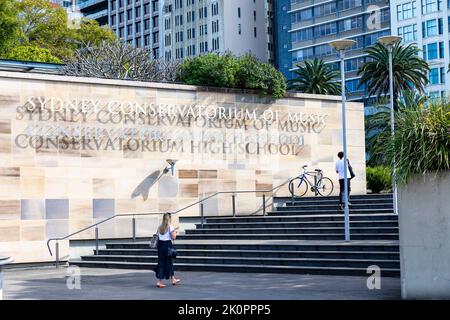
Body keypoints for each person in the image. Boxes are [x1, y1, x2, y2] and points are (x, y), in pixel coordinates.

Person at [154, 213, 180, 288]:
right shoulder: (170, 226)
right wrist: (175, 232)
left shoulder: (160, 227)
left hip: (160, 246)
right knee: (168, 262)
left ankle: (173, 279)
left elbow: (157, 236)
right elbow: (174, 237)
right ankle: (159, 282)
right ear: (169, 218)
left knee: (162, 262)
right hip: (167, 245)